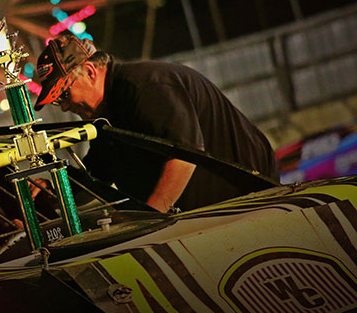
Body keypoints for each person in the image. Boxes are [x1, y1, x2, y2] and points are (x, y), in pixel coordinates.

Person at [33, 35, 279, 213]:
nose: (64, 107)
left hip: (251, 200)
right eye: (57, 102)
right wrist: (54, 192)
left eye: (64, 94)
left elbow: (185, 154)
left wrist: (152, 220)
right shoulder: (108, 111)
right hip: (221, 211)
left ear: (89, 71)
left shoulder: (146, 86)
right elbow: (97, 175)